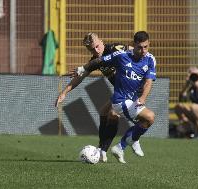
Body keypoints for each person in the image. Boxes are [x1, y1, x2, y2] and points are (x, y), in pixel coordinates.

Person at [55, 32, 144, 162]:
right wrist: (64, 93)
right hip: (122, 92)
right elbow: (79, 77)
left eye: (97, 46)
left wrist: (142, 63)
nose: (96, 50)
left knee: (114, 113)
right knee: (104, 111)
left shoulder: (115, 49)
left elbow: (134, 50)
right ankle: (103, 149)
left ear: (101, 42)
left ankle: (126, 142)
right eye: (91, 49)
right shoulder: (96, 61)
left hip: (134, 89)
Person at [73, 31, 156, 163]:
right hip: (121, 98)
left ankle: (118, 146)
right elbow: (98, 62)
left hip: (133, 96)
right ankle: (111, 148)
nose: (143, 50)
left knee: (143, 120)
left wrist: (143, 97)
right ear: (134, 45)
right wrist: (81, 69)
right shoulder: (118, 55)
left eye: (145, 47)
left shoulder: (148, 58)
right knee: (145, 117)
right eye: (139, 47)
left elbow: (148, 81)